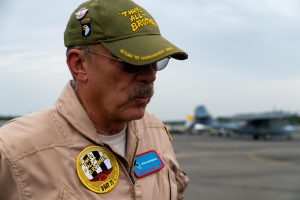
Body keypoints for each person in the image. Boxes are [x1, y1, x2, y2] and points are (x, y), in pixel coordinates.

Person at [0, 0, 189, 199]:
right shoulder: (13, 152)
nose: (150, 75)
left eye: (155, 62)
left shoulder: (155, 130)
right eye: (132, 62)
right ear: (79, 64)